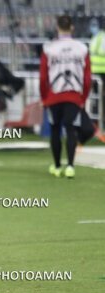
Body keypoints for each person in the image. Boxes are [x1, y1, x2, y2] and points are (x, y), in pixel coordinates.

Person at [40, 15, 91, 178]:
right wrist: (83, 98)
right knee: (71, 130)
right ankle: (70, 166)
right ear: (72, 28)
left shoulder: (49, 48)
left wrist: (44, 97)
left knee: (55, 129)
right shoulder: (82, 48)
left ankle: (56, 166)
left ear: (57, 28)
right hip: (74, 96)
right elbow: (87, 77)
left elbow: (43, 77)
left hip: (53, 96)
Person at [89, 18, 105, 122]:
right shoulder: (100, 37)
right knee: (100, 98)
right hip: (99, 71)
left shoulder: (97, 37)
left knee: (98, 98)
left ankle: (97, 122)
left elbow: (93, 51)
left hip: (96, 70)